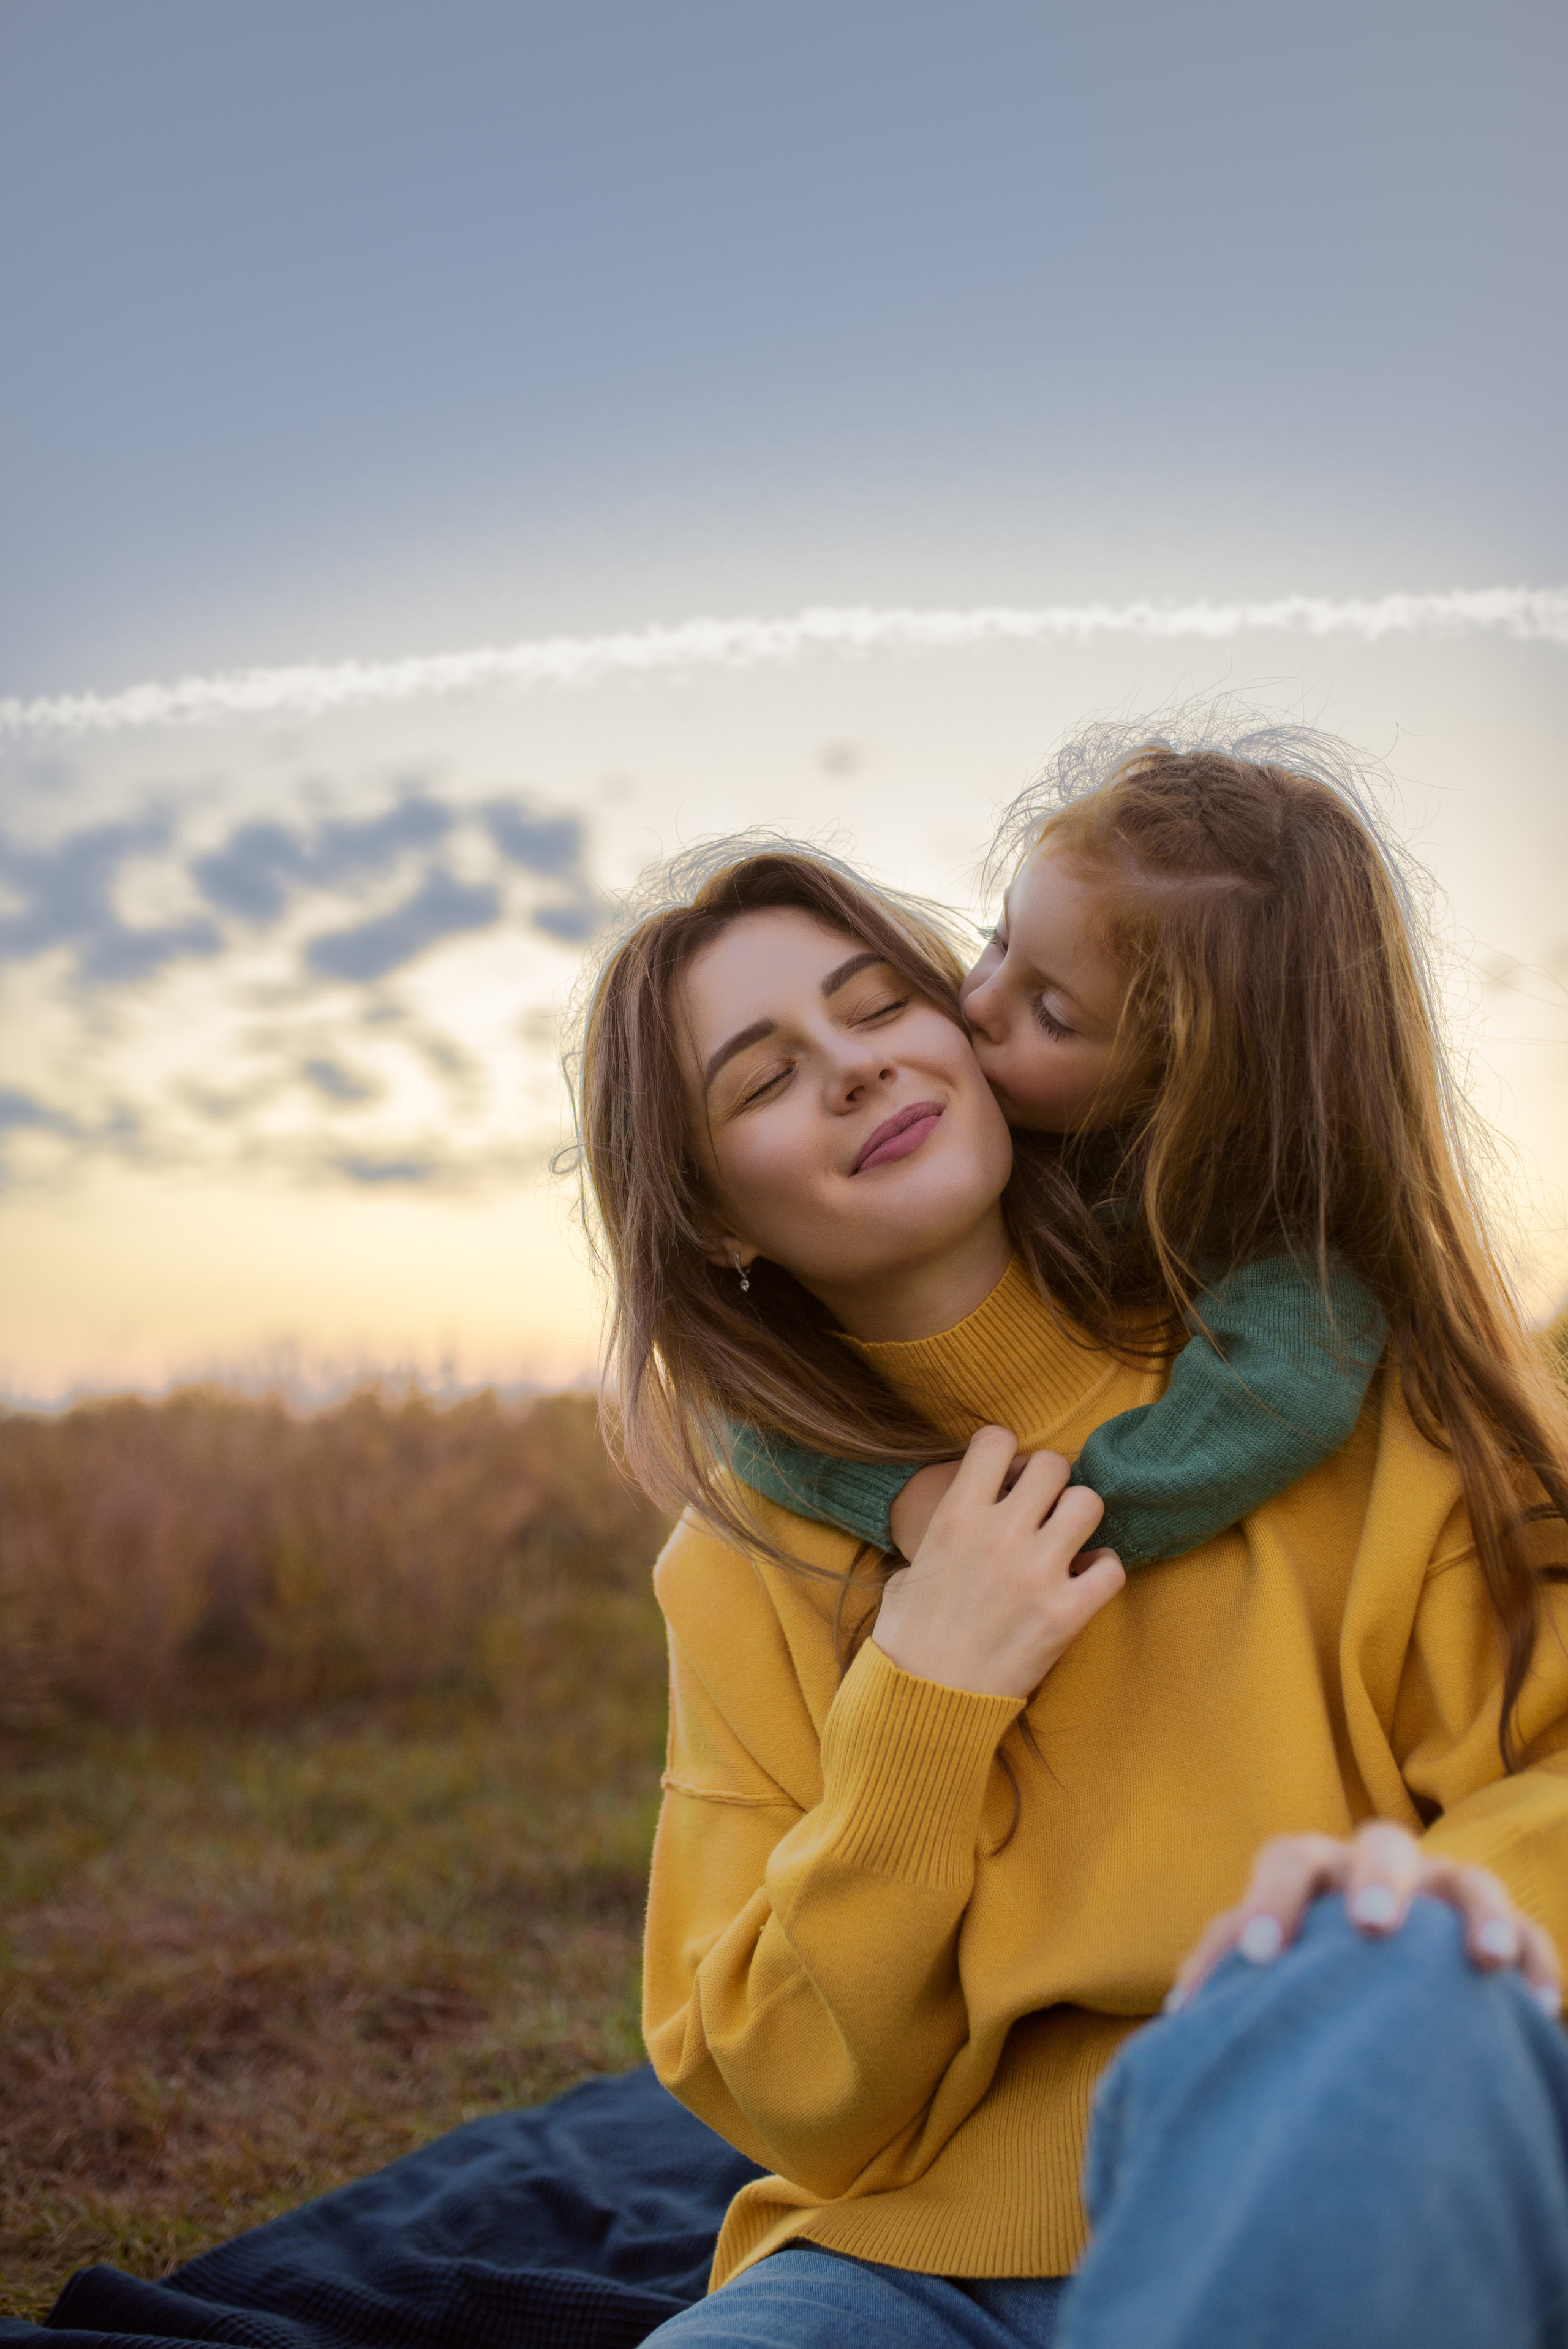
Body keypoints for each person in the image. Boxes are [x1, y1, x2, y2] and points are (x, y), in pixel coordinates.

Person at [565, 743, 1568, 2345]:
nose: (852, 1067)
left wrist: (1427, 1901)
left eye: (877, 1004)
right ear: (715, 1222)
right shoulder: (738, 1558)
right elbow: (779, 2089)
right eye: (759, 1078)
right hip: (909, 2266)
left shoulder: (1339, 1394)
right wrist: (921, 1696)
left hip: (1324, 2150)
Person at [729, 720, 1400, 1576]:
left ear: (1186, 1084)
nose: (978, 1002)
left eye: (1052, 1014)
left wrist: (1047, 1533)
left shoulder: (1277, 1259)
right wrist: (903, 1498)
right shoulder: (977, 1132)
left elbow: (1284, 1393)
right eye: (997, 940)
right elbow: (751, 1405)